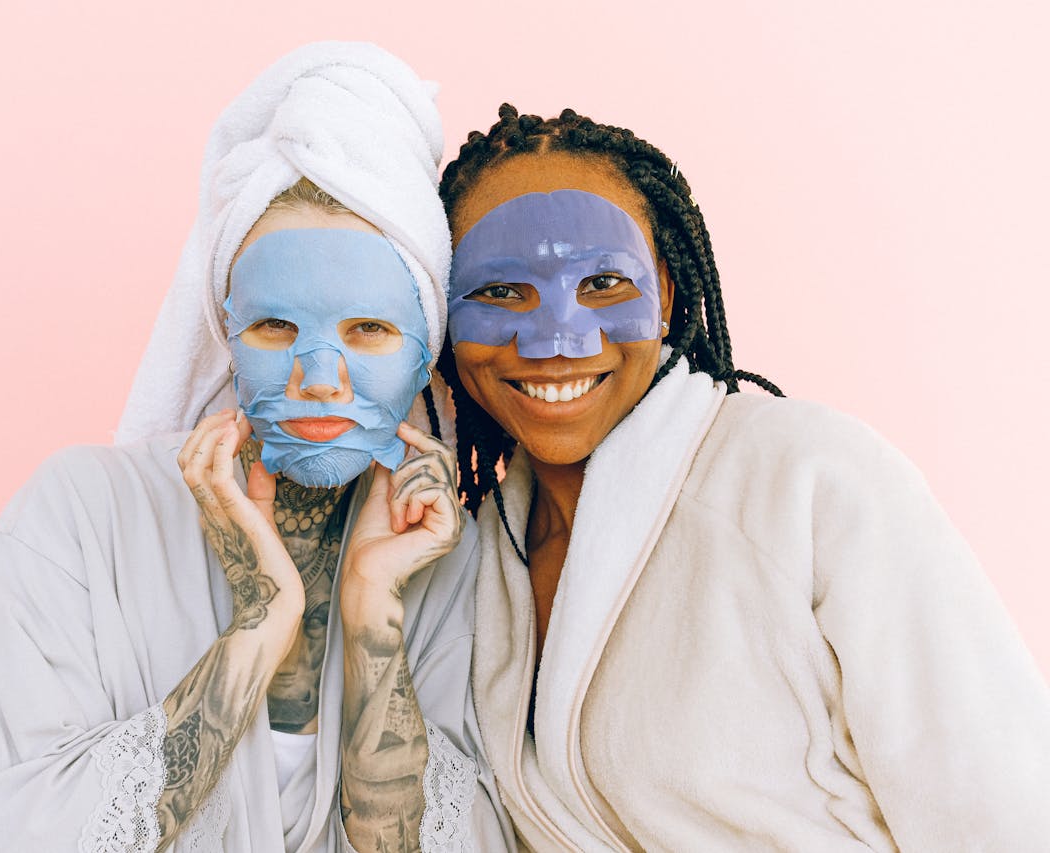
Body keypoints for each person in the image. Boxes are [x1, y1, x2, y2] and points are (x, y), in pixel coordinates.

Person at [0, 44, 513, 853]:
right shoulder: (78, 516)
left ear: (425, 352)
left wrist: (374, 610)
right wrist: (263, 623)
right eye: (276, 326)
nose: (319, 379)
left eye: (369, 329)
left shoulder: (454, 556)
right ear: (226, 332)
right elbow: (10, 833)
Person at [437, 104, 1050, 851]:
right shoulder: (472, 566)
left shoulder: (809, 479)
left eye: (602, 281)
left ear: (665, 294)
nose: (557, 338)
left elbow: (1006, 814)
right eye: (500, 291)